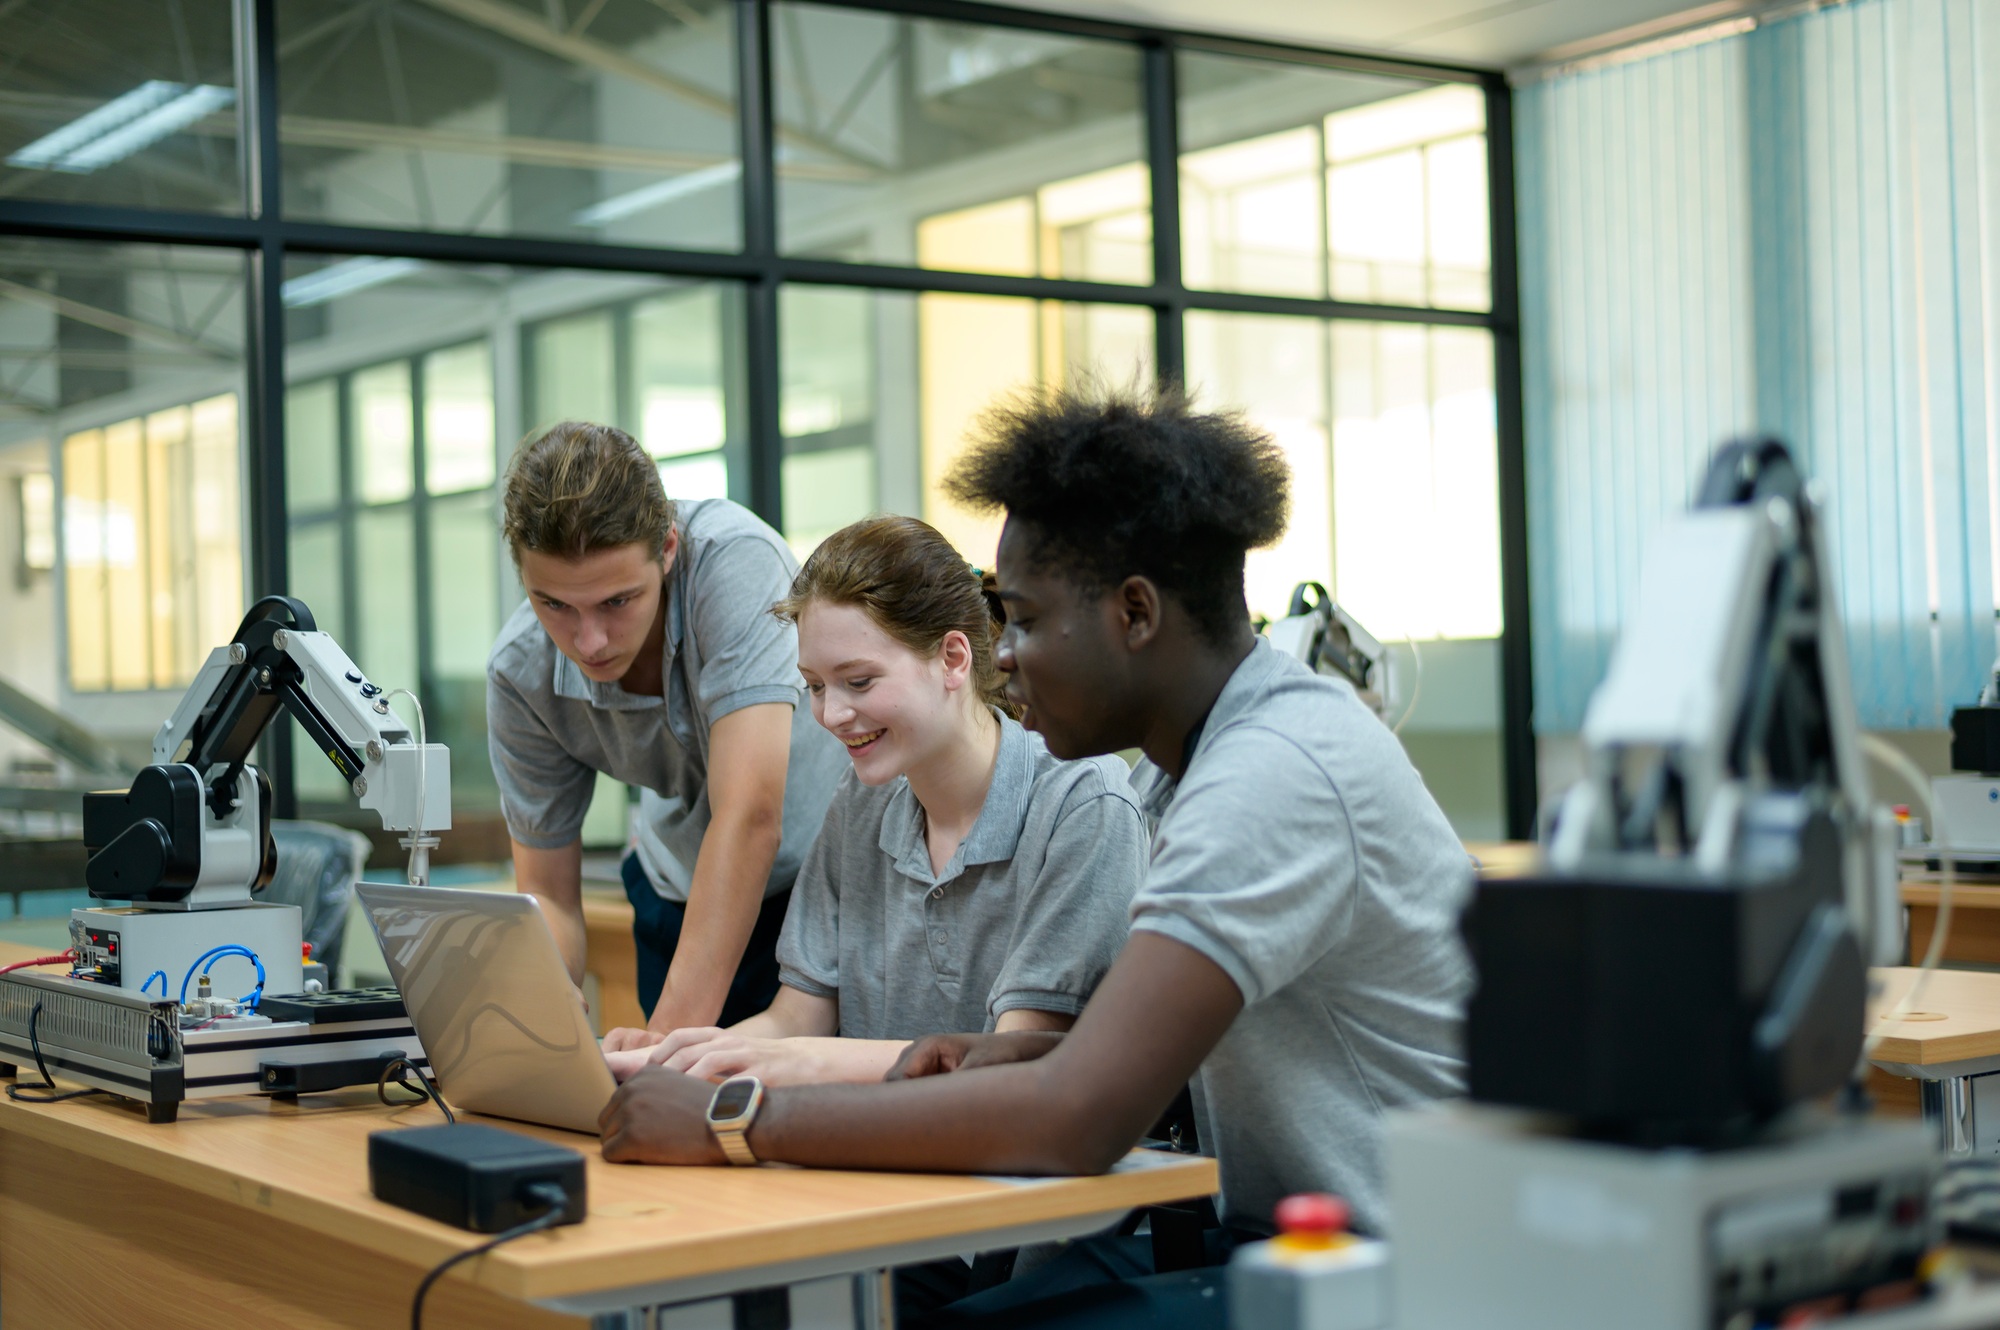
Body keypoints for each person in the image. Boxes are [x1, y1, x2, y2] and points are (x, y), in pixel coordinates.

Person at [595, 386, 1474, 1325]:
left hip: (1410, 1273)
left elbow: (1076, 1117)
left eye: (1022, 619)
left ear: (1133, 613)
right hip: (1279, 1242)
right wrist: (988, 1056)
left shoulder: (1272, 776)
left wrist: (738, 1123)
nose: (1004, 655)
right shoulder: (1190, 772)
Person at [605, 514, 1148, 1088]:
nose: (831, 715)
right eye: (814, 685)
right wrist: (672, 1058)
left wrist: (797, 1060)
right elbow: (796, 1019)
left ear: (954, 659)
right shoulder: (861, 804)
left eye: (859, 682)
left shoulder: (1084, 806)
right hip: (880, 1160)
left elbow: (1012, 1059)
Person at [487, 421, 848, 1039]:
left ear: (669, 549)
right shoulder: (520, 674)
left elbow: (750, 817)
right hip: (679, 889)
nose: (589, 641)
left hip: (820, 887)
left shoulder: (734, 563)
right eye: (554, 605)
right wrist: (548, 1018)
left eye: (617, 602)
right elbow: (548, 894)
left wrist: (661, 1050)